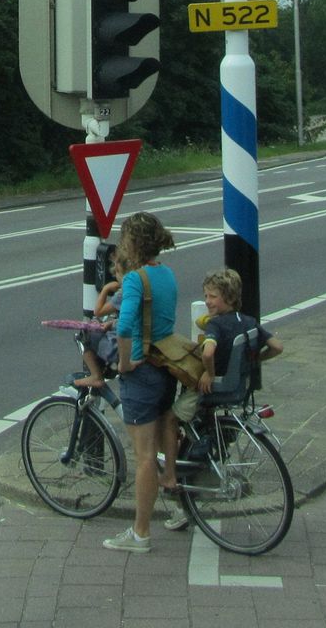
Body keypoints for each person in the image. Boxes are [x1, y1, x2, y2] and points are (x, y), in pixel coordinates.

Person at [161, 267, 283, 531]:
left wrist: (208, 373)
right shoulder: (248, 322)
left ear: (227, 297)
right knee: (194, 429)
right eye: (206, 296)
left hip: (215, 388)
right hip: (238, 388)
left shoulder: (217, 324)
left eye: (212, 296)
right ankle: (191, 478)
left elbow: (208, 352)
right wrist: (255, 362)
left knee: (170, 419)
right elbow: (277, 346)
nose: (207, 301)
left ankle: (170, 474)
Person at [102, 212, 177, 554]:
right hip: (165, 366)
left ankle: (140, 533)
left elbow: (125, 325)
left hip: (142, 371)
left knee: (144, 455)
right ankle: (177, 504)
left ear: (132, 242)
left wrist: (123, 363)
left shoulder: (134, 280)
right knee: (163, 441)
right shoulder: (166, 274)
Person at [74, 261, 124, 388]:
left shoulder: (124, 294)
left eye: (117, 272)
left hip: (119, 344)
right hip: (135, 339)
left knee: (85, 333)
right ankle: (106, 368)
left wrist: (106, 289)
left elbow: (98, 310)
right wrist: (112, 323)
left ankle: (96, 375)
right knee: (100, 329)